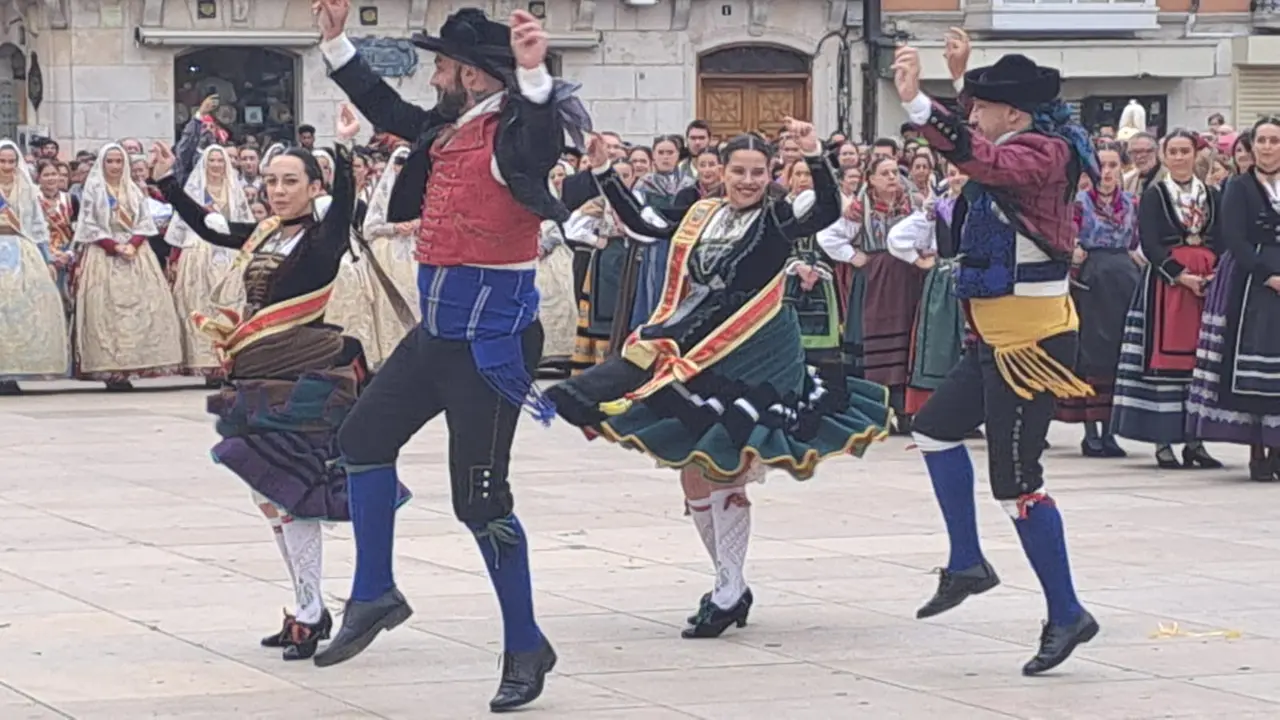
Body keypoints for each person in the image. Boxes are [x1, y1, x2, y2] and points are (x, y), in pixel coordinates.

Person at [312, 1, 588, 711]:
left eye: (441, 64)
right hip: (440, 333)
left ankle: (524, 642)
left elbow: (541, 143)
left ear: (469, 74)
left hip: (492, 344)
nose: (433, 74)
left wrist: (533, 75)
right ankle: (375, 592)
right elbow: (381, 103)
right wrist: (336, 42)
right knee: (362, 438)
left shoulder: (513, 136)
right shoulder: (449, 127)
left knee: (482, 500)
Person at [545, 123, 891, 638]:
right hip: (702, 348)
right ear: (721, 173)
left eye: (758, 172)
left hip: (757, 352)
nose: (748, 181)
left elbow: (822, 213)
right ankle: (730, 581)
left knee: (726, 464)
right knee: (693, 468)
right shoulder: (702, 214)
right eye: (739, 172)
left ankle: (728, 589)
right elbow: (644, 224)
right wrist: (600, 173)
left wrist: (818, 158)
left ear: (771, 173)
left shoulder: (776, 216)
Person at [149, 106, 409, 661]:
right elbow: (210, 227)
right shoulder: (266, 232)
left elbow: (342, 210)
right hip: (257, 374)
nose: (278, 190)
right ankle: (305, 606)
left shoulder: (323, 238)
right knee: (269, 495)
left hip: (301, 379)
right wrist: (169, 181)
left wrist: (342, 150)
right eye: (270, 181)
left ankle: (313, 612)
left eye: (291, 181)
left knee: (290, 494)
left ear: (312, 186)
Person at [891, 32, 1100, 675]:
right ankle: (966, 563)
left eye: (982, 105)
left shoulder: (1047, 153)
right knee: (932, 431)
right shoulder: (1021, 137)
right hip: (996, 334)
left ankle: (1067, 613)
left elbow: (989, 161)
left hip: (1030, 341)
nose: (972, 112)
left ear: (1013, 113)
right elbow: (983, 146)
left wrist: (920, 104)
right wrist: (956, 89)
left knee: (1017, 483)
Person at [1111, 130, 1223, 470]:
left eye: (1184, 151)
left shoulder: (1212, 195)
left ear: (1194, 154)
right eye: (1173, 151)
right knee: (1164, 362)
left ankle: (1196, 441)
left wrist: (1213, 272)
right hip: (1167, 285)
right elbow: (1151, 242)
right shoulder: (1156, 194)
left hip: (1206, 283)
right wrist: (1181, 275)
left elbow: (1222, 236)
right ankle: (1163, 442)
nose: (1179, 157)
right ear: (1165, 156)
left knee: (1200, 362)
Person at [1187, 115, 1280, 481]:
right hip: (1251, 284)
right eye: (1263, 141)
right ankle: (1258, 449)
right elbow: (1235, 237)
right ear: (1251, 146)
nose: (1269, 148)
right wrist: (1267, 274)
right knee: (1251, 365)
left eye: (1275, 141)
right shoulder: (1239, 187)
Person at [71, 143, 183, 389]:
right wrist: (113, 246)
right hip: (103, 253)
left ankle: (136, 363)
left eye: (118, 161)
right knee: (106, 311)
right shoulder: (94, 190)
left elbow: (144, 221)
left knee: (141, 308)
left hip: (136, 254)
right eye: (109, 161)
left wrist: (133, 243)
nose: (114, 166)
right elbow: (89, 224)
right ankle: (111, 369)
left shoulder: (133, 190)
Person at [1057, 141, 1141, 457]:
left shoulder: (1132, 203)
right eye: (1101, 166)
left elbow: (1137, 240)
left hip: (1123, 279)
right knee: (1093, 352)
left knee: (1119, 351)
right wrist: (1073, 252)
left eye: (1112, 166)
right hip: (1091, 279)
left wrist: (1137, 258)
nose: (1106, 172)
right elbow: (1067, 236)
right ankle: (1090, 430)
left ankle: (1110, 430)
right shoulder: (1079, 202)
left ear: (1122, 168)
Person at [166, 144, 254, 380]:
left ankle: (230, 358)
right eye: (212, 161)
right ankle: (204, 362)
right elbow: (183, 223)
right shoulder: (195, 190)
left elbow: (243, 221)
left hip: (229, 252)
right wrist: (175, 257)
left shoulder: (234, 190)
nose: (216, 165)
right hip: (198, 251)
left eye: (220, 161)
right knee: (201, 302)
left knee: (229, 304)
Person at [0, 141, 69, 393]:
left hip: (21, 250)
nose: (7, 166)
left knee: (18, 314)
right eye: (2, 161)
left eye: (11, 161)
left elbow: (37, 225)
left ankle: (9, 372)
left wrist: (47, 258)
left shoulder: (26, 188)